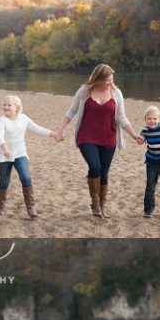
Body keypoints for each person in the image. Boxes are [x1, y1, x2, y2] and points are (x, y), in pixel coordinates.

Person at [56, 64, 143, 218]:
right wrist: (61, 130)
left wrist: (134, 134)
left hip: (108, 137)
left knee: (104, 172)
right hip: (86, 137)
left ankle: (102, 207)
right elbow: (72, 111)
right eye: (107, 80)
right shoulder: (84, 91)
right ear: (98, 79)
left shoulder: (116, 93)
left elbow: (121, 117)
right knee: (95, 166)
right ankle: (95, 203)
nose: (110, 82)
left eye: (111, 79)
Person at [0, 94, 59, 219]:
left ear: (17, 107)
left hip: (20, 154)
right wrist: (5, 149)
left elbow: (37, 128)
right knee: (4, 182)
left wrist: (54, 134)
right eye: (5, 105)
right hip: (4, 156)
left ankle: (31, 208)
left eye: (9, 105)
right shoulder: (2, 120)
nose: (6, 107)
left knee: (26, 178)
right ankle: (0, 207)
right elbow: (0, 137)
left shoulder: (24, 119)